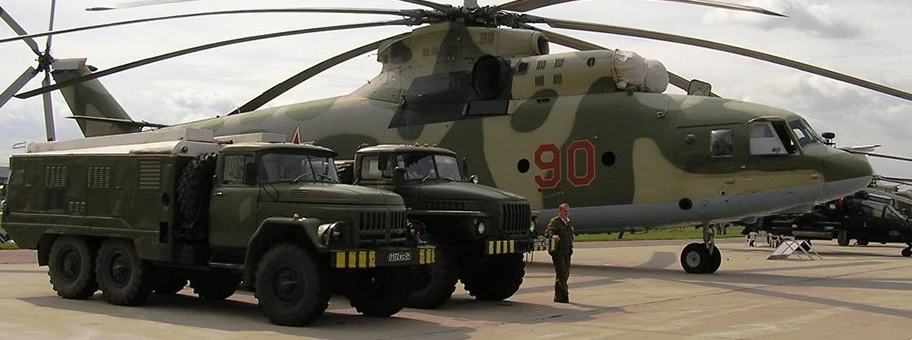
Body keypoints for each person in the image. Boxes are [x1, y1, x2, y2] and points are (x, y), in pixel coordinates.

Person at [545, 203, 574, 303]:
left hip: (567, 252)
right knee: (562, 273)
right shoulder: (555, 222)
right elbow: (548, 231)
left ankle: (558, 297)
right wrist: (552, 236)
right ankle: (565, 296)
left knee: (565, 274)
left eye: (568, 211)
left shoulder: (568, 223)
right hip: (558, 252)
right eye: (564, 211)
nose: (566, 213)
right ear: (560, 211)